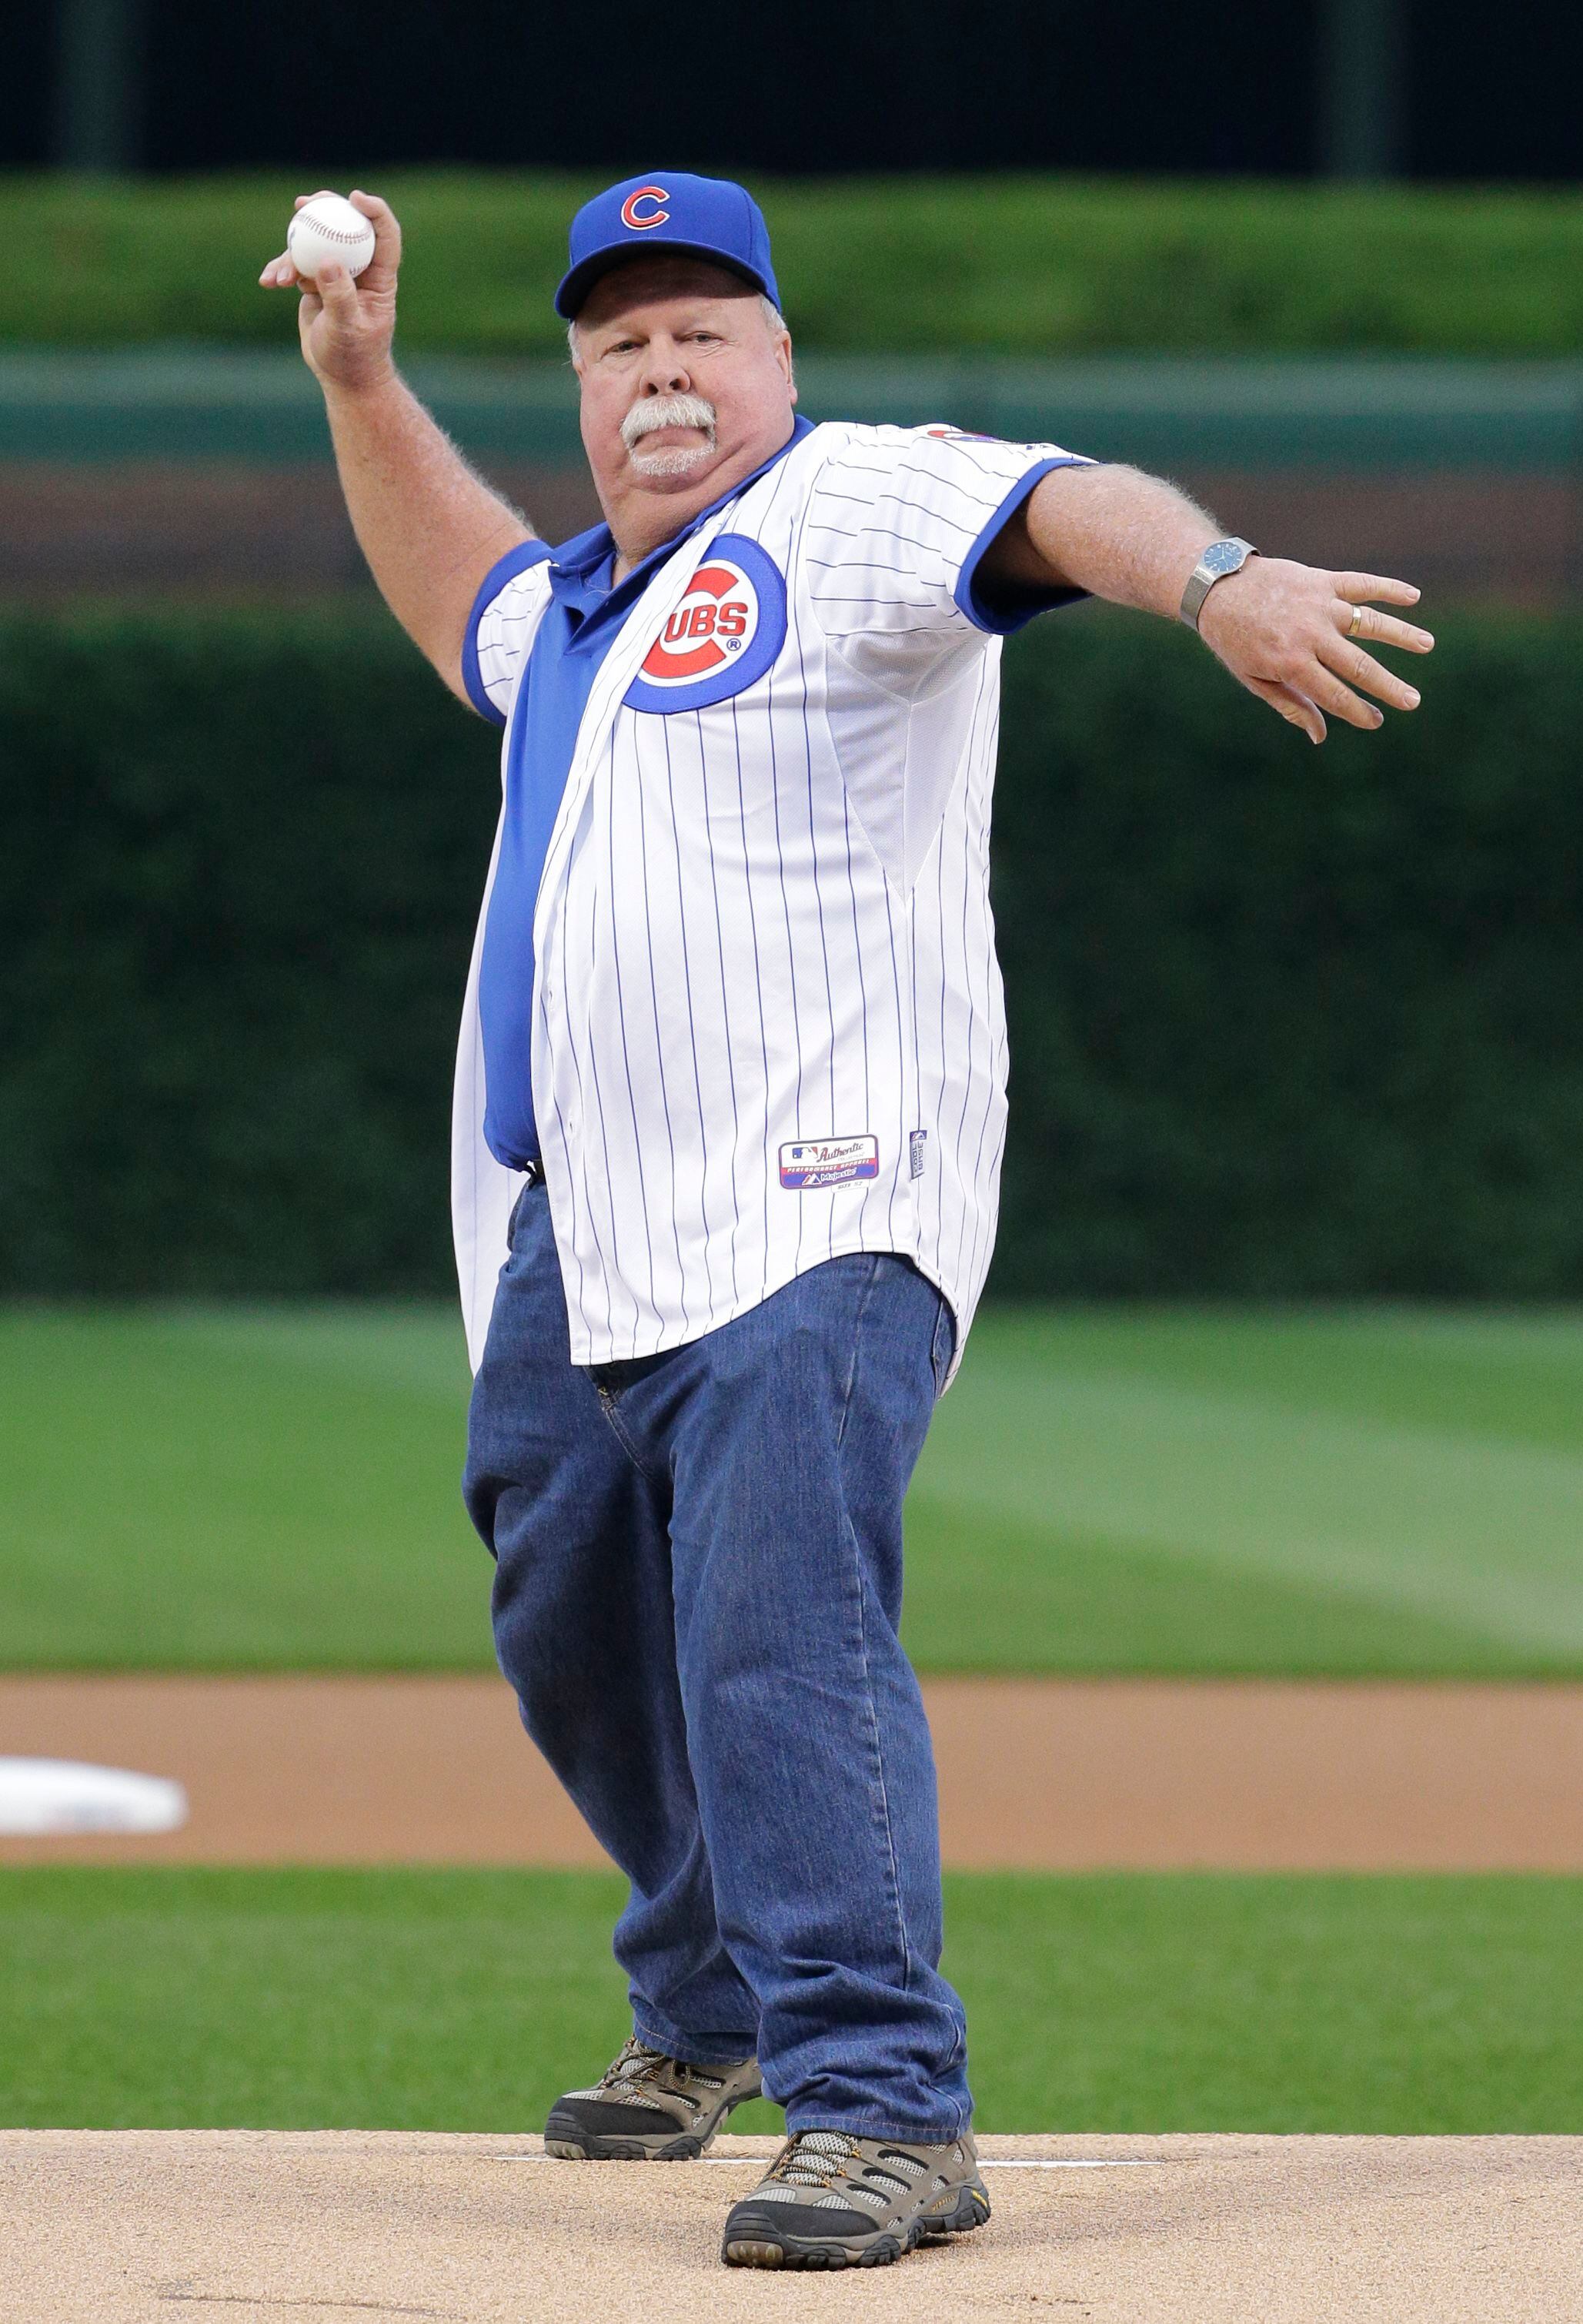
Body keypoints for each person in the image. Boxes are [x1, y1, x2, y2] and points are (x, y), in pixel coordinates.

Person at [261, 172, 1432, 2272]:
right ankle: (704, 1995)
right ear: (585, 391)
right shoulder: (578, 627)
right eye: (618, 344)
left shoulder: (861, 505)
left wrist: (1223, 579)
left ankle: (882, 2100)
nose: (663, 368)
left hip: (828, 1194)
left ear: (778, 359)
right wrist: (359, 377)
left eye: (703, 326)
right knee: (564, 1598)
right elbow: (459, 586)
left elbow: (1068, 503)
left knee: (774, 1613)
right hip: (591, 1217)